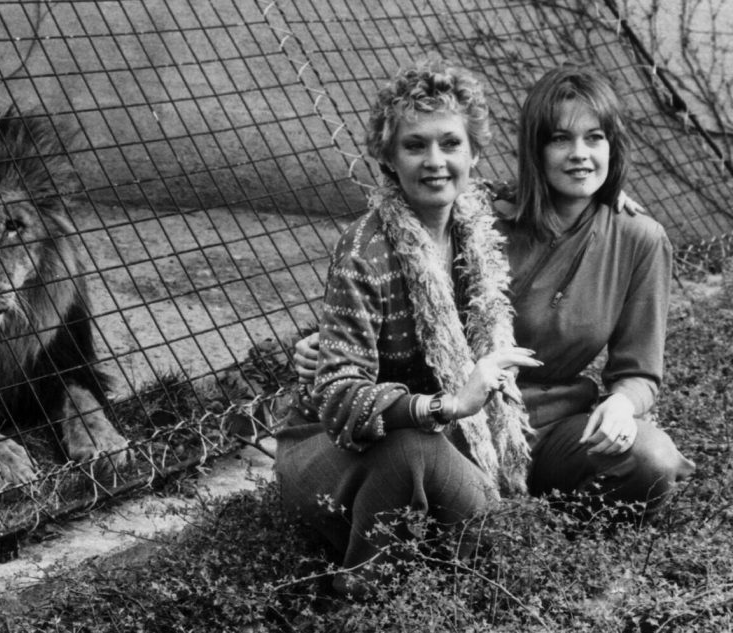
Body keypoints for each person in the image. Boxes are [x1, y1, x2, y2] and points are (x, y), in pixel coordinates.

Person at [292, 65, 695, 530]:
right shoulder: (481, 218)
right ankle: (481, 530)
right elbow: (394, 286)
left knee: (651, 459)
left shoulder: (639, 239)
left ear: (613, 145)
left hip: (550, 422)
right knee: (460, 502)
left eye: (595, 138)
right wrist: (320, 345)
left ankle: (559, 538)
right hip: (458, 419)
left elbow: (640, 371)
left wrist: (623, 403)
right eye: (560, 139)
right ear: (534, 149)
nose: (580, 155)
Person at [273, 60, 541, 593]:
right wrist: (447, 405)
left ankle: (431, 576)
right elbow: (337, 394)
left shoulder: (478, 226)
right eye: (415, 146)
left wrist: (613, 198)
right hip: (337, 446)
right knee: (413, 450)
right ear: (389, 159)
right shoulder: (363, 248)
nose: (436, 162)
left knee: (498, 543)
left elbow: (564, 186)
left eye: (450, 144)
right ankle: (358, 597)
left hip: (442, 443)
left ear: (474, 153)